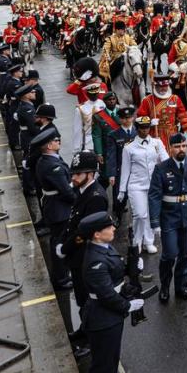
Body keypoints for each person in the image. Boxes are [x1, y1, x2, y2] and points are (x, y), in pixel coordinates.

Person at [79, 211, 141, 373]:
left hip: (110, 316)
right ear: (97, 234)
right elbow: (105, 293)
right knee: (102, 365)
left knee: (112, 359)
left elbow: (113, 271)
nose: (114, 229)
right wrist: (127, 306)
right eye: (109, 227)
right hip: (103, 318)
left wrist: (130, 267)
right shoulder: (95, 260)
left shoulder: (102, 247)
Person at [59, 151, 108, 355]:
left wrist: (65, 247)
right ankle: (83, 329)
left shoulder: (96, 197)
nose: (73, 177)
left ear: (91, 174)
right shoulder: (83, 191)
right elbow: (73, 221)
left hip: (86, 257)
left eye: (78, 174)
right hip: (78, 257)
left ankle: (91, 339)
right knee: (81, 299)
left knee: (89, 301)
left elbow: (84, 233)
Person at [149, 132, 187, 302]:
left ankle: (182, 286)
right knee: (170, 253)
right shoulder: (161, 168)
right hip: (169, 216)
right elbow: (154, 195)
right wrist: (155, 222)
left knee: (185, 254)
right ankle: (165, 286)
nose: (181, 149)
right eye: (177, 147)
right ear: (170, 148)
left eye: (183, 146)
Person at [118, 116, 168, 254]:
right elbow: (125, 170)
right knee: (140, 214)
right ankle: (136, 241)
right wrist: (122, 190)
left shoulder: (157, 143)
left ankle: (148, 241)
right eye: (142, 128)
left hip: (154, 185)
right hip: (136, 185)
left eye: (147, 127)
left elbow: (166, 162)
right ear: (137, 128)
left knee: (151, 214)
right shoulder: (129, 147)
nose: (145, 130)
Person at [34, 127, 75, 289]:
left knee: (59, 241)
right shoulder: (52, 166)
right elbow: (66, 192)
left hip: (54, 206)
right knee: (59, 243)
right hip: (58, 209)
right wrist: (78, 200)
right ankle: (60, 279)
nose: (59, 141)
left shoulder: (47, 160)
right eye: (56, 141)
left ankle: (62, 273)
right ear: (49, 146)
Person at [136, 73, 187, 150]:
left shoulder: (175, 99)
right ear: (155, 86)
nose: (163, 89)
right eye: (160, 87)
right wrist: (149, 122)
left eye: (165, 87)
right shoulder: (147, 100)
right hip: (155, 134)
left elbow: (183, 115)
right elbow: (140, 117)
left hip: (172, 134)